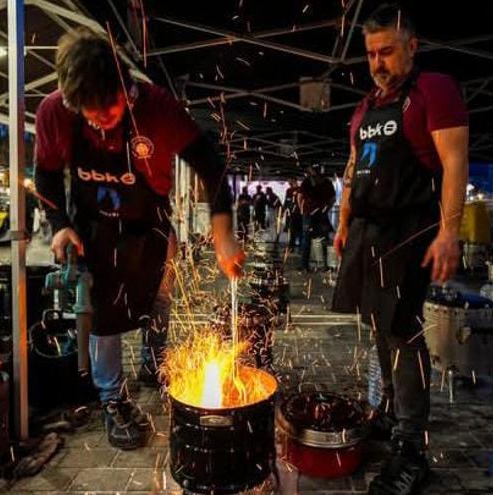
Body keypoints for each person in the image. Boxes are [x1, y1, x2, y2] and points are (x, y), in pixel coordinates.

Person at [35, 28, 243, 451]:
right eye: (89, 113)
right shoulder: (54, 112)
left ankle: (156, 362)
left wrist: (223, 231)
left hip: (150, 219)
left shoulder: (157, 108)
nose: (99, 121)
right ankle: (112, 399)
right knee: (105, 314)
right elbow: (46, 174)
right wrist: (58, 222)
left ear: (123, 87)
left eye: (107, 110)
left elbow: (211, 163)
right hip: (92, 225)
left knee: (159, 296)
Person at [331, 5, 469, 494]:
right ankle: (388, 414)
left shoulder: (434, 89)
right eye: (370, 53)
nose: (377, 62)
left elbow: (454, 163)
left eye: (386, 51)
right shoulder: (365, 108)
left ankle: (412, 448)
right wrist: (343, 224)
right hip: (366, 235)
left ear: (412, 46)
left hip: (409, 230)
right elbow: (352, 171)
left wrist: (448, 233)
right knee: (376, 326)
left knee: (402, 335)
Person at [298, 166, 335, 272]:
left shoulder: (307, 181)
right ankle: (324, 265)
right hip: (321, 213)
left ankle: (304, 266)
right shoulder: (327, 182)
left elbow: (300, 197)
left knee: (306, 239)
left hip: (309, 213)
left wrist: (302, 210)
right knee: (323, 239)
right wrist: (326, 209)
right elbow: (332, 199)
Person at [283, 178, 302, 246]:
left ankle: (299, 242)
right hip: (292, 212)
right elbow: (287, 201)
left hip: (299, 212)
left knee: (299, 228)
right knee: (292, 228)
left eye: (291, 182)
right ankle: (292, 242)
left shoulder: (300, 189)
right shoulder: (289, 190)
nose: (290, 183)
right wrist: (285, 209)